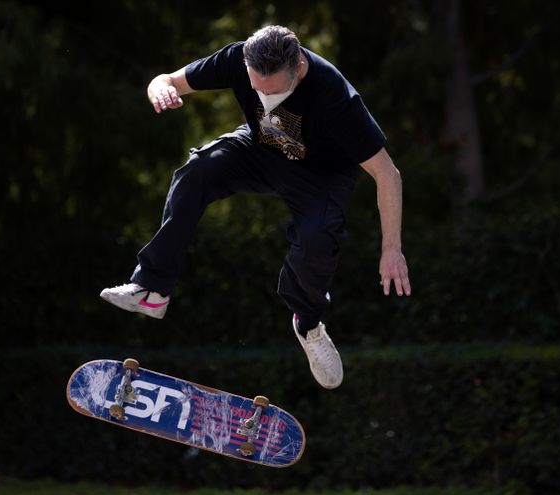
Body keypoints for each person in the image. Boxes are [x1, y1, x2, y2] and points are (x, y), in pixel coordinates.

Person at [101, 25, 410, 389]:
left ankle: (309, 326)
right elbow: (167, 79)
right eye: (256, 87)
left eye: (274, 90)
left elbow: (387, 174)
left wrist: (392, 248)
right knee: (197, 171)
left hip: (320, 175)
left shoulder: (336, 97)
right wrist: (161, 90)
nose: (263, 96)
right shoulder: (237, 57)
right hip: (260, 151)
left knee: (318, 237)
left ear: (298, 66)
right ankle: (152, 290)